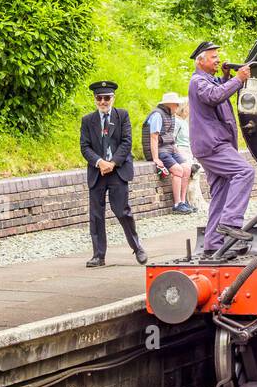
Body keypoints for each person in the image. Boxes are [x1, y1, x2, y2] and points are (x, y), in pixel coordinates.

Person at [187, 40, 256, 258]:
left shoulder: (209, 80)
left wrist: (227, 77)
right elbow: (215, 96)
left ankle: (212, 245)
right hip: (213, 145)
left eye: (218, 56)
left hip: (212, 144)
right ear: (201, 61)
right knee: (244, 171)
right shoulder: (198, 81)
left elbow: (218, 90)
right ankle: (230, 222)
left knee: (220, 193)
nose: (218, 60)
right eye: (213, 57)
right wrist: (238, 79)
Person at [79, 80, 148, 268]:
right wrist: (100, 162)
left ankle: (137, 247)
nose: (103, 101)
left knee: (123, 212)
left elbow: (126, 142)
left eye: (106, 98)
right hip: (97, 172)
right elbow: (84, 147)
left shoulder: (122, 116)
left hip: (118, 171)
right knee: (96, 215)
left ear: (113, 98)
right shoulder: (87, 120)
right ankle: (98, 255)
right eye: (99, 98)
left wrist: (113, 163)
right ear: (95, 99)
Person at [142, 91, 193, 214]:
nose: (178, 106)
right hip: (159, 149)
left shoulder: (170, 114)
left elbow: (170, 136)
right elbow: (153, 137)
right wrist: (155, 158)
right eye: (176, 104)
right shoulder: (157, 115)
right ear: (170, 104)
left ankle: (183, 201)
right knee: (178, 170)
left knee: (186, 168)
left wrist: (175, 149)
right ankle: (176, 204)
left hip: (169, 148)